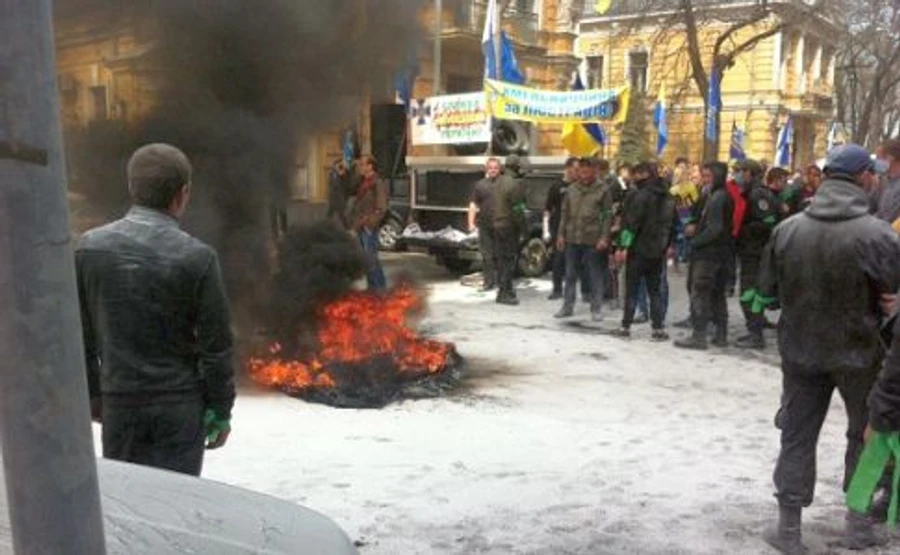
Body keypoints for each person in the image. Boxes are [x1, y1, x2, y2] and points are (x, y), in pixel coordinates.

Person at [753, 144, 900, 554]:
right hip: (862, 352)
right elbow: (894, 295)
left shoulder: (787, 230)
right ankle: (858, 524)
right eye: (872, 173)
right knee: (865, 434)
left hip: (801, 351)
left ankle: (788, 528)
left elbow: (767, 291)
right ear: (862, 178)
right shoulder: (879, 235)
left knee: (797, 433)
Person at [76, 143, 236, 476]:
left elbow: (80, 336)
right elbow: (217, 347)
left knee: (128, 500)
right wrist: (220, 410)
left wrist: (93, 394)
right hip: (179, 409)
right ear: (182, 194)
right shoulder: (198, 257)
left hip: (119, 405)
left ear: (131, 187)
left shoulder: (89, 248)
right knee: (174, 500)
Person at [613, 162, 677, 340]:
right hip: (658, 251)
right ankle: (658, 329)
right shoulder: (668, 196)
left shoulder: (640, 196)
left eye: (636, 174)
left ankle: (625, 327)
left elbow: (631, 225)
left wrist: (622, 247)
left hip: (638, 250)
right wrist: (669, 245)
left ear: (644, 174)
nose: (633, 178)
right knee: (654, 290)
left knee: (632, 289)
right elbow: (673, 225)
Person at [674, 162, 734, 350]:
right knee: (717, 294)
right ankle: (720, 335)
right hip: (719, 253)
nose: (704, 180)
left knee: (701, 292)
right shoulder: (711, 195)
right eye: (704, 175)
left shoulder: (718, 197)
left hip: (708, 254)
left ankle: (699, 335)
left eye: (708, 176)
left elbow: (715, 228)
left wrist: (695, 241)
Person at [555, 157, 614, 321]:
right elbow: (564, 214)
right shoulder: (571, 189)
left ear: (594, 171)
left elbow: (607, 216)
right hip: (572, 238)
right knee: (570, 274)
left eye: (588, 172)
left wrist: (604, 237)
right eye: (581, 172)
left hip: (593, 240)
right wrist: (560, 235)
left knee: (595, 275)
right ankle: (567, 306)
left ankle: (596, 308)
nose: (584, 175)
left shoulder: (603, 190)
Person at [733, 159, 780, 350]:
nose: (735, 175)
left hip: (755, 252)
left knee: (749, 294)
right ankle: (756, 326)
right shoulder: (751, 192)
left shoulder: (758, 194)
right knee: (751, 293)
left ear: (748, 173)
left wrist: (741, 230)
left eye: (738, 171)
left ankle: (755, 334)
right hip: (751, 251)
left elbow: (768, 221)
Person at [492, 155, 528, 306]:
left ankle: (506, 289)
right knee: (508, 260)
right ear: (516, 167)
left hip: (497, 224)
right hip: (509, 226)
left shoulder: (497, 182)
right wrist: (524, 230)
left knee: (501, 260)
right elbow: (518, 209)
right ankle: (504, 293)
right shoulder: (515, 184)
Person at [351, 155, 388, 290]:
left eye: (362, 164)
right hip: (361, 226)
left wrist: (370, 224)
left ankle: (379, 289)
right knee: (367, 260)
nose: (360, 167)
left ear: (370, 166)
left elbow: (381, 208)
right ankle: (373, 288)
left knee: (371, 259)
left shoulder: (377, 183)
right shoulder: (363, 182)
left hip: (369, 227)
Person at [544, 157, 579, 300]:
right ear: (568, 168)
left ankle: (576, 290)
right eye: (576, 169)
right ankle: (557, 289)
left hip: (575, 228)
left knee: (574, 260)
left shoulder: (579, 186)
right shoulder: (556, 186)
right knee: (558, 259)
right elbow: (547, 209)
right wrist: (546, 230)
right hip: (558, 228)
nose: (578, 172)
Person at [469, 158, 502, 291]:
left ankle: (503, 283)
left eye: (495, 168)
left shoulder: (505, 184)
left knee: (501, 255)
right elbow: (473, 204)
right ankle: (488, 283)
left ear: (500, 169)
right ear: (486, 169)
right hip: (485, 226)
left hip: (501, 225)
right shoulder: (480, 185)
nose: (493, 170)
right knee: (487, 256)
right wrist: (471, 223)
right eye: (490, 168)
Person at [874, 138, 900, 224]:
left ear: (890, 158)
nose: (876, 162)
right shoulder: (886, 181)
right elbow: (880, 213)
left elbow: (890, 219)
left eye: (879, 158)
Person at [327, 159, 353, 229]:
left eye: (341, 165)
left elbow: (347, 185)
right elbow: (332, 185)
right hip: (333, 197)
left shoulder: (344, 173)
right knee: (331, 214)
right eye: (338, 165)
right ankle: (326, 226)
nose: (339, 166)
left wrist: (343, 175)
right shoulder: (332, 173)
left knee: (341, 215)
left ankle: (347, 228)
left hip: (340, 198)